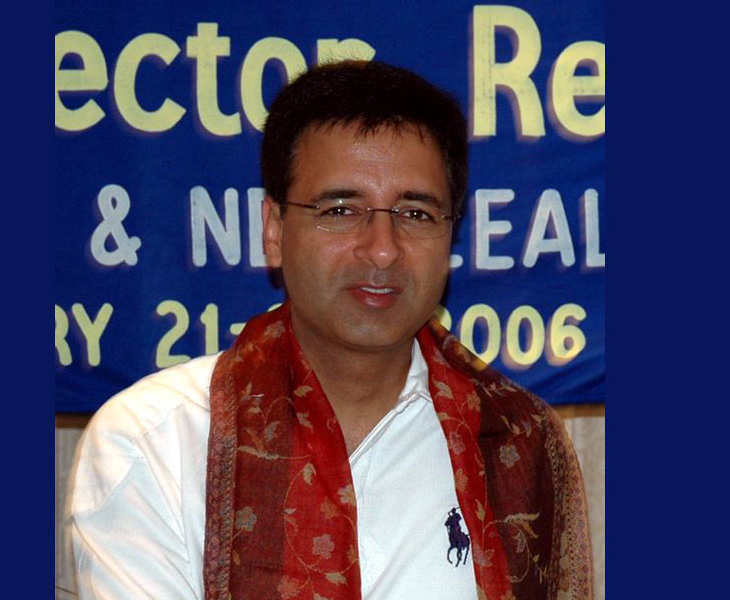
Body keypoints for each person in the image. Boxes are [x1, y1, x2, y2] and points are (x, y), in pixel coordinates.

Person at [66, 60, 593, 600]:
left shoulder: (516, 443)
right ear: (274, 230)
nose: (383, 250)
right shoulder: (157, 442)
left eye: (416, 213)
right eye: (341, 210)